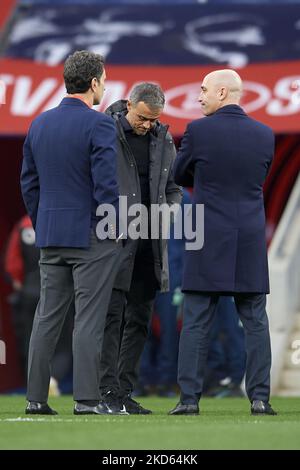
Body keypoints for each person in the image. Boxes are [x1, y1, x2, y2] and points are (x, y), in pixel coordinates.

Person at [169, 69, 277, 416]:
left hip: (207, 236)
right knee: (256, 320)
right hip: (248, 235)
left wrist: (202, 178)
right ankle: (260, 399)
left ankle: (189, 400)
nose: (198, 96)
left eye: (203, 90)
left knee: (197, 319)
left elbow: (178, 174)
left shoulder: (198, 131)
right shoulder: (264, 134)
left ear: (221, 92)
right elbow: (258, 175)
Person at [20, 50, 122, 416]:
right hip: (91, 236)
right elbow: (107, 186)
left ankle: (35, 399)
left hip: (51, 235)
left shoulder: (39, 124)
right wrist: (111, 229)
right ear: (94, 83)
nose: (105, 86)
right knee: (89, 319)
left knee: (47, 318)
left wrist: (43, 222)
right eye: (104, 80)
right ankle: (86, 400)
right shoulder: (99, 125)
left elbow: (29, 185)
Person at [99, 83, 182, 414]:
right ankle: (105, 392)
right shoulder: (105, 132)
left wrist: (169, 210)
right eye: (144, 118)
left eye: (154, 120)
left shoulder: (163, 138)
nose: (147, 125)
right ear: (129, 104)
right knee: (110, 318)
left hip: (150, 244)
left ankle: (123, 393)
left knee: (138, 321)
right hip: (114, 241)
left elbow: (173, 187)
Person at [4, 215, 73, 396]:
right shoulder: (65, 221)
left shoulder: (24, 225)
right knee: (63, 345)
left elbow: (12, 263)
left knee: (31, 342)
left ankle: (36, 385)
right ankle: (53, 380)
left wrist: (21, 283)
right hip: (59, 291)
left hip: (30, 292)